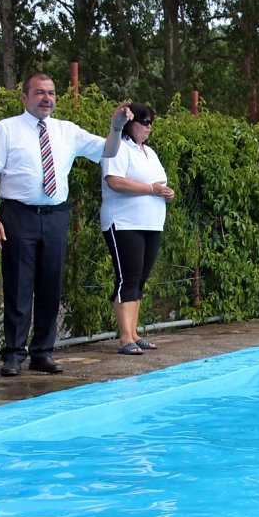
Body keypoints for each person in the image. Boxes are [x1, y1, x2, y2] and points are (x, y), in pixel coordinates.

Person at [0, 72, 132, 377]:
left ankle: (42, 352)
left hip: (54, 216)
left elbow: (108, 150)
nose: (46, 98)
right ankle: (13, 354)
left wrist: (117, 126)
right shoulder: (7, 129)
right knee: (19, 286)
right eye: (39, 93)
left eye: (51, 93)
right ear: (24, 97)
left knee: (51, 286)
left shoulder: (67, 131)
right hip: (18, 214)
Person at [100, 101, 174, 355]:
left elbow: (157, 182)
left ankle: (134, 332)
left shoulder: (149, 153)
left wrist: (164, 192)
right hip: (124, 222)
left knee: (141, 278)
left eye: (151, 123)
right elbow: (115, 182)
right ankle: (124, 337)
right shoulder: (118, 148)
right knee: (127, 277)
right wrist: (151, 189)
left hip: (151, 223)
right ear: (131, 124)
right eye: (144, 123)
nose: (148, 128)